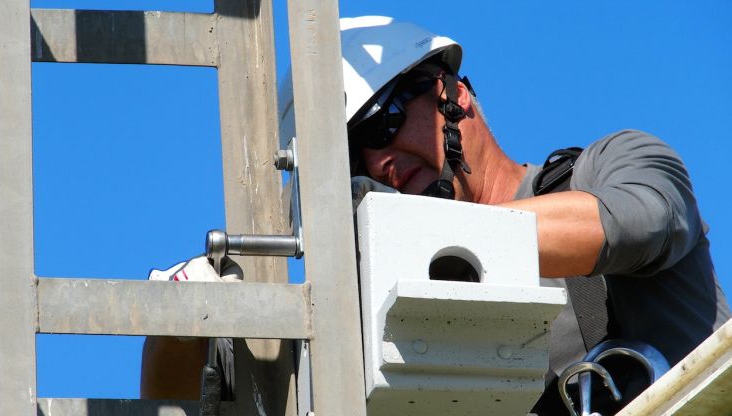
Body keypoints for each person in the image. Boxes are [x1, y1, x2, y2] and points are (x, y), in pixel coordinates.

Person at [287, 15, 730, 414]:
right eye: (355, 163)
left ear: (454, 96)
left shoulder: (610, 165)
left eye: (383, 125)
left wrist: (419, 238)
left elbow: (641, 222)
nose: (379, 165)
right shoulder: (410, 324)